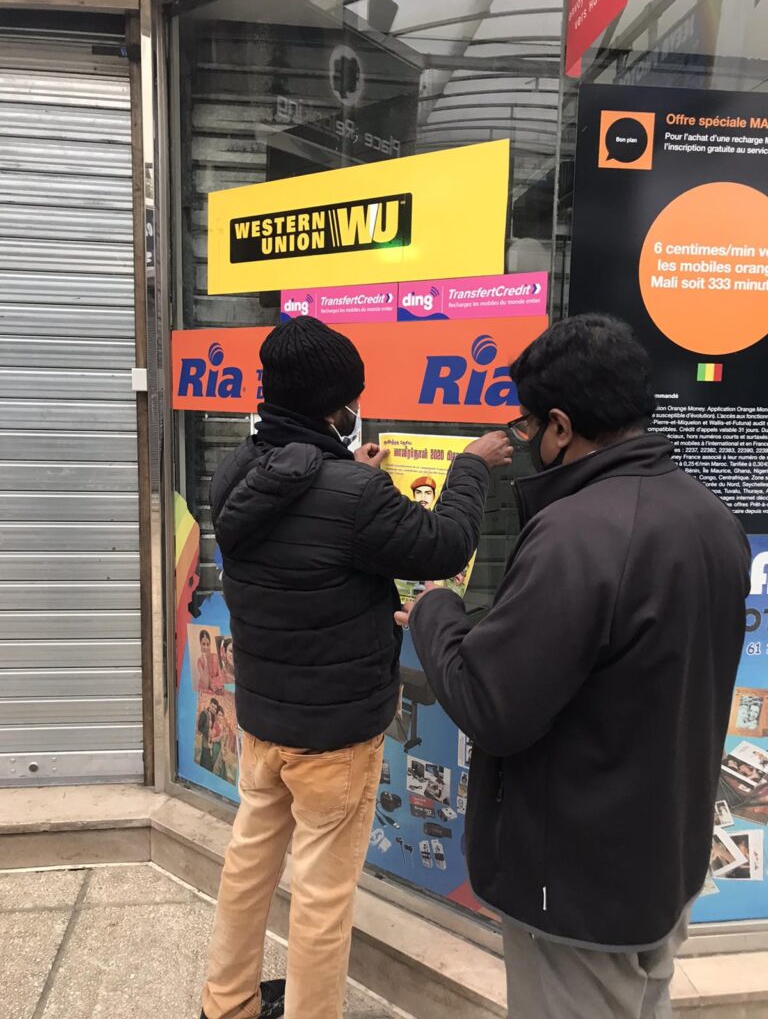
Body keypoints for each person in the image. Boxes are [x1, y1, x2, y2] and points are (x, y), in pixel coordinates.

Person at [397, 315, 750, 1019]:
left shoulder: (577, 533)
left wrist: (436, 610)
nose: (528, 440)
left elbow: (492, 704)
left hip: (576, 882)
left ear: (560, 425)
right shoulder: (710, 515)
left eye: (530, 426)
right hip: (660, 857)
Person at [200, 315, 512, 1019]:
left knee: (249, 863)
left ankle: (227, 1004)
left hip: (265, 718)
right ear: (338, 407)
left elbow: (301, 513)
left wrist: (349, 476)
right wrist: (469, 466)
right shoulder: (354, 495)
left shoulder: (236, 470)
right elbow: (445, 543)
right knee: (322, 892)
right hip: (336, 736)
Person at [197, 697, 219, 772]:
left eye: (215, 708)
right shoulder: (204, 713)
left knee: (207, 758)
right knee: (206, 758)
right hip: (205, 740)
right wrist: (207, 732)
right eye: (212, 706)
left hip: (210, 741)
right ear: (209, 704)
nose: (213, 709)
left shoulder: (213, 716)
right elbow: (199, 727)